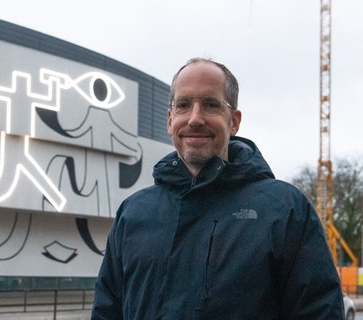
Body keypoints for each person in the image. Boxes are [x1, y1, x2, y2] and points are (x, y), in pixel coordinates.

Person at [91, 58, 344, 319]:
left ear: (234, 121)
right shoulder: (133, 213)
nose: (195, 118)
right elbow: (107, 310)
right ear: (169, 120)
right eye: (183, 105)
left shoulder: (285, 210)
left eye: (211, 105)